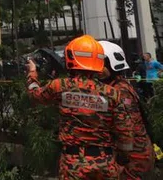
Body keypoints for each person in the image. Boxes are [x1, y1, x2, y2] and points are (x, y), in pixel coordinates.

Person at [27, 34, 132, 179]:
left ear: (71, 58)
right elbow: (125, 131)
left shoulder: (60, 86)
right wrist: (122, 159)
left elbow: (35, 95)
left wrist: (32, 73)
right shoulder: (113, 93)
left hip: (73, 164)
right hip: (106, 163)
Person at [101, 41, 153, 180]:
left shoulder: (120, 90)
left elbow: (127, 127)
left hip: (133, 157)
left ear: (111, 65)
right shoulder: (115, 86)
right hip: (130, 154)